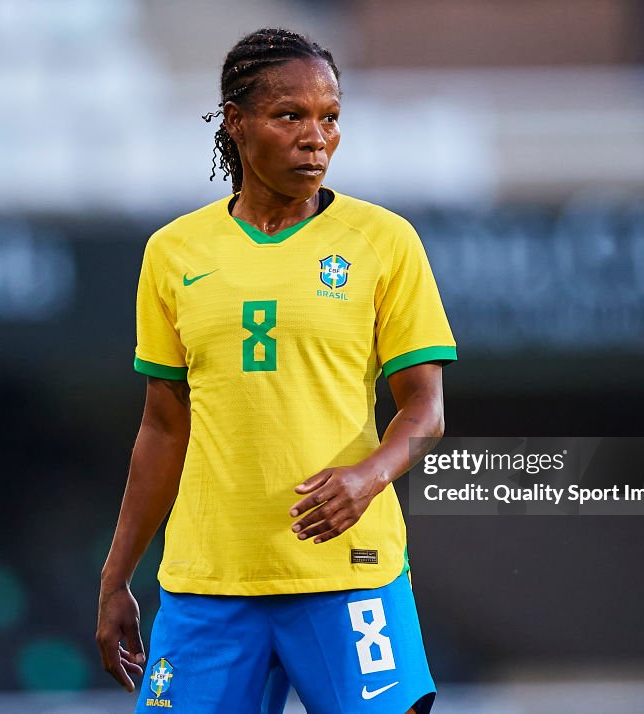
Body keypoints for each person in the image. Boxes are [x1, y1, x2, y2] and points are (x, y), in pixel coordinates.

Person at [96, 28, 456, 714]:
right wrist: (116, 578)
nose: (316, 136)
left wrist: (367, 476)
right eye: (290, 115)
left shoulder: (384, 242)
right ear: (235, 122)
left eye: (330, 118)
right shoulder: (174, 253)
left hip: (347, 575)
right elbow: (163, 427)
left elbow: (425, 410)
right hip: (209, 584)